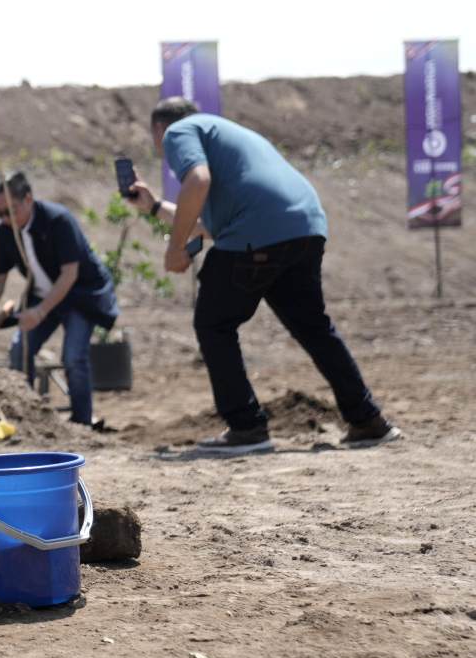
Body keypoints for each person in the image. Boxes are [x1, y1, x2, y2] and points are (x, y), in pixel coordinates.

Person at [126, 97, 400, 453]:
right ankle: (367, 421)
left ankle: (246, 427)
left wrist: (175, 247)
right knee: (314, 329)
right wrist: (155, 207)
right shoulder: (231, 137)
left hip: (258, 233)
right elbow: (212, 226)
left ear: (160, 130)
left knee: (214, 323)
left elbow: (197, 179)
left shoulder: (179, 131)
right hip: (304, 226)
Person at [0, 171, 118, 426]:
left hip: (79, 296)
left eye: (11, 210)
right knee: (19, 349)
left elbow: (69, 274)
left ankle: (82, 423)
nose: (6, 219)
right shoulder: (5, 232)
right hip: (43, 296)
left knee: (73, 356)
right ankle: (27, 418)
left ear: (29, 199)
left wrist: (40, 312)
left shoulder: (58, 220)